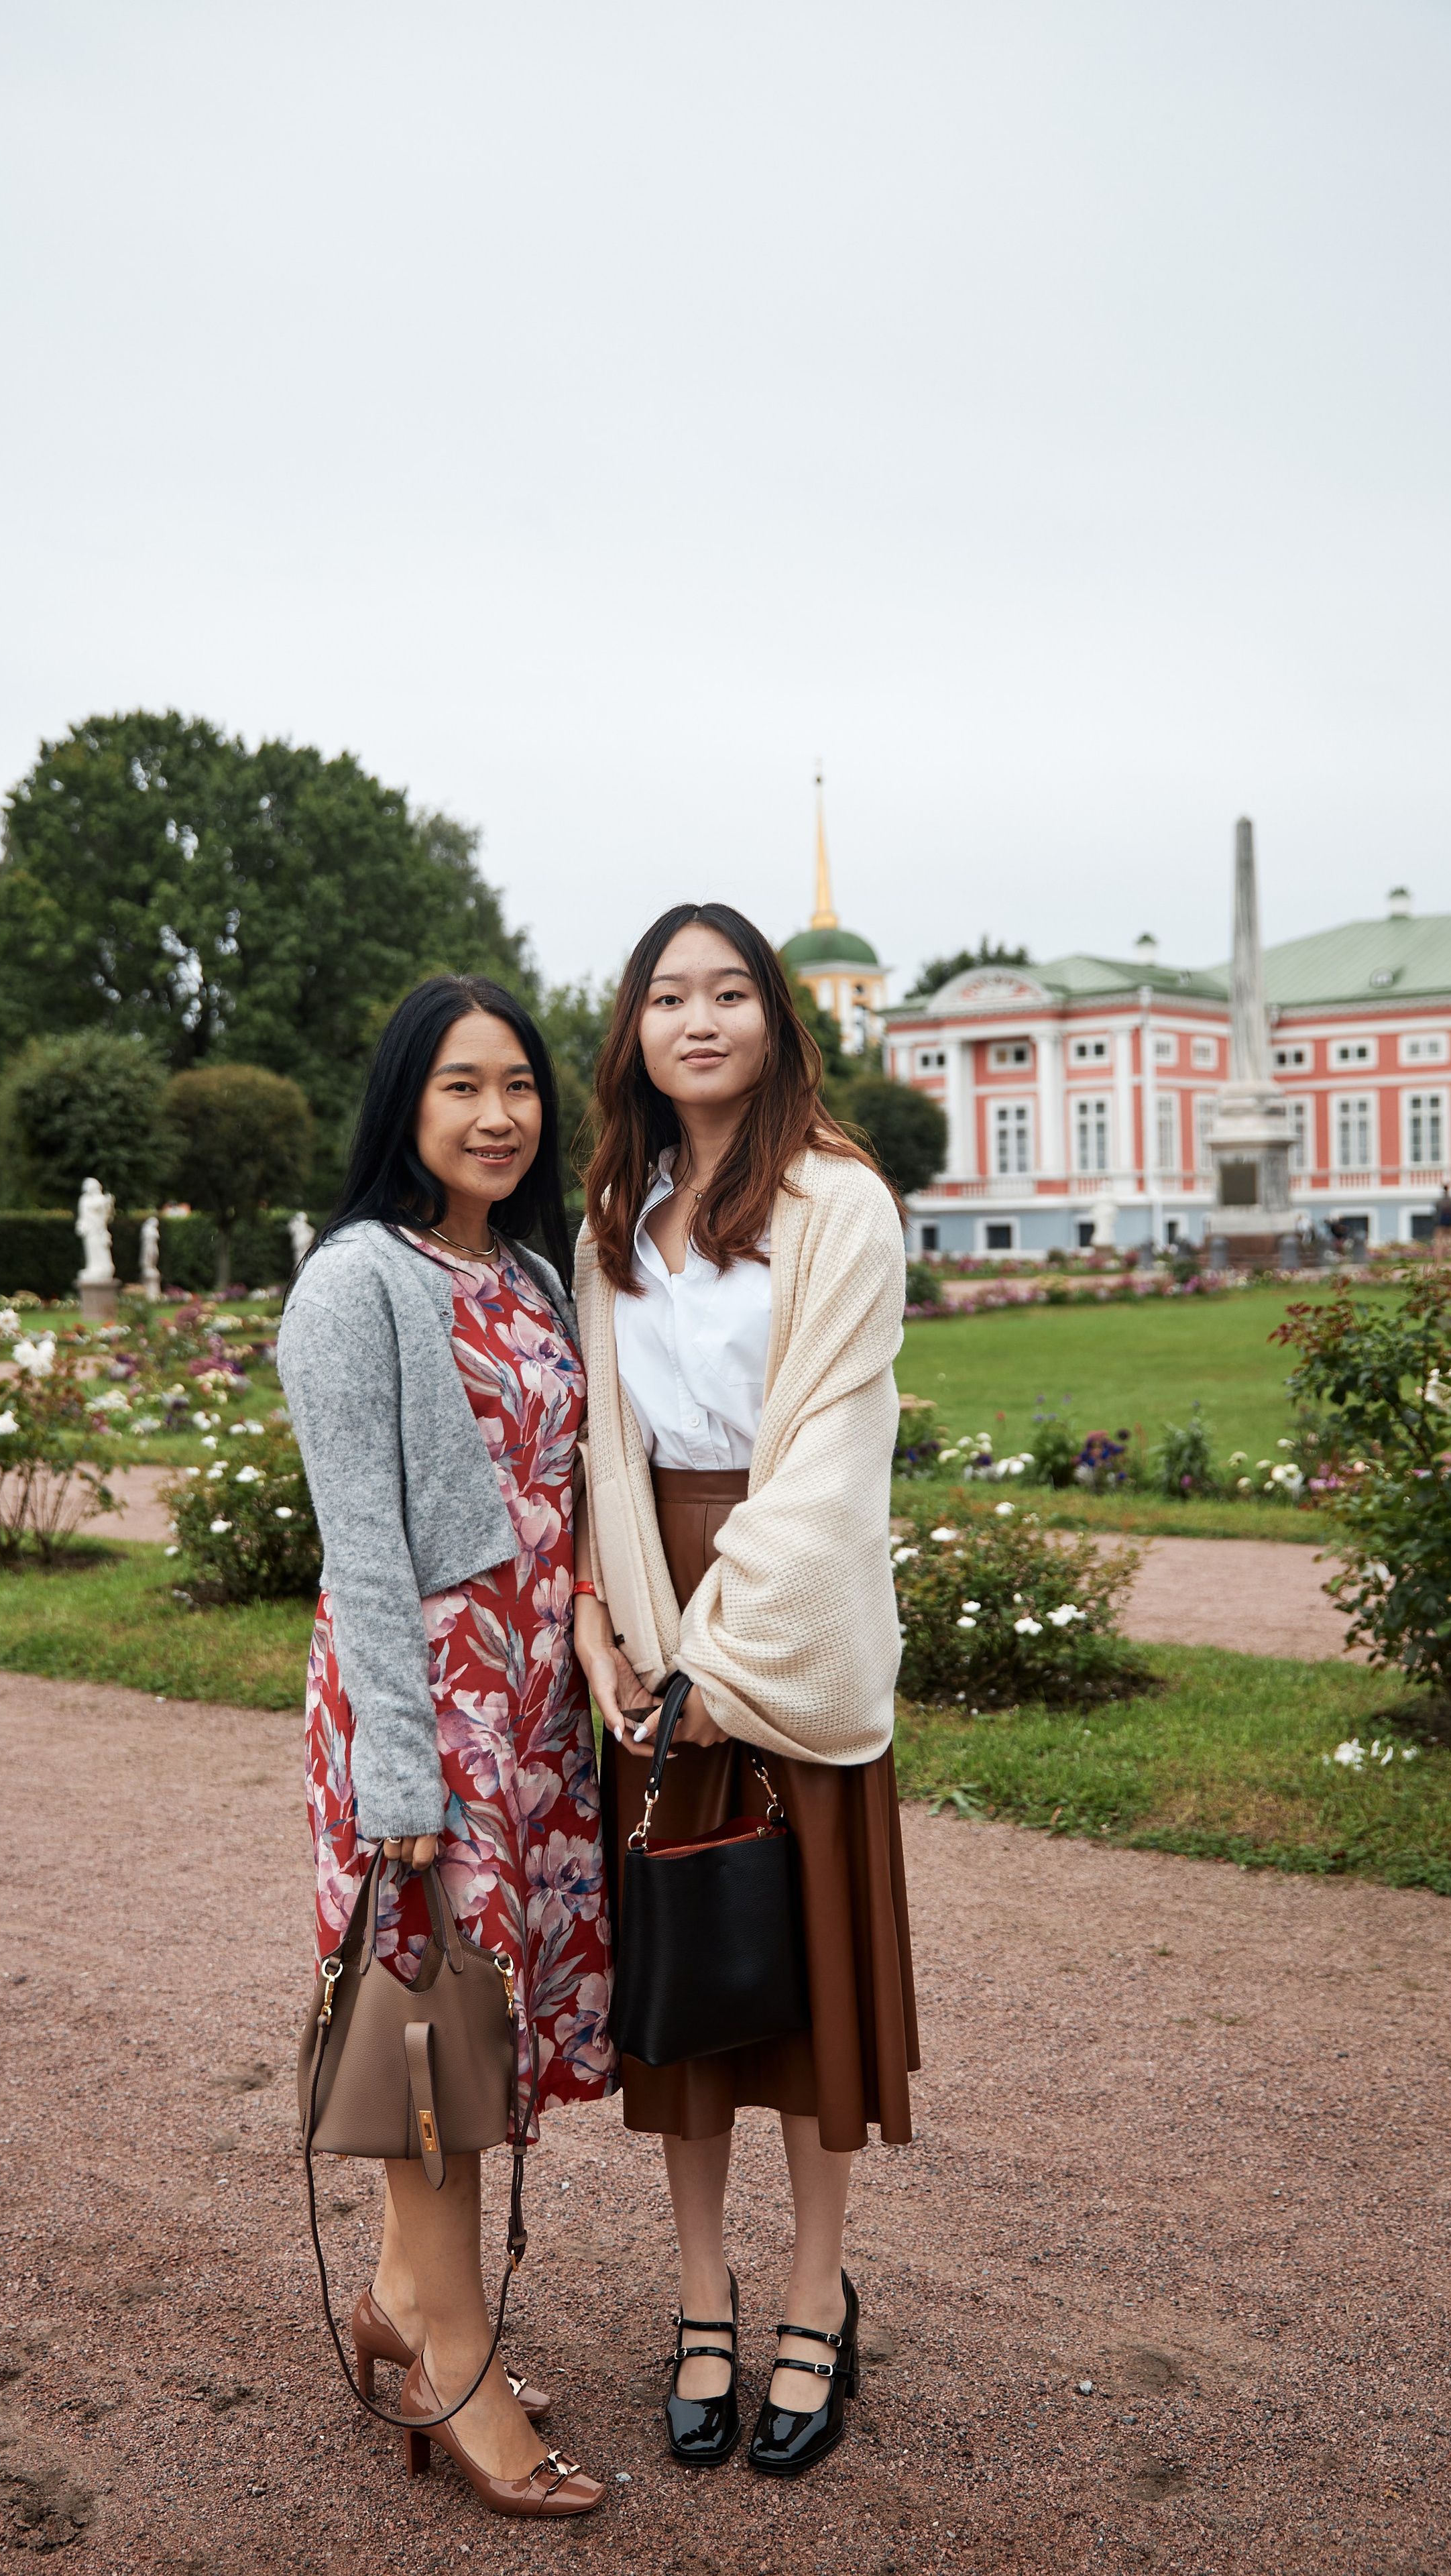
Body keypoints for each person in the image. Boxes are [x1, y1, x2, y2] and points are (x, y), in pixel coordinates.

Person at [572, 901, 918, 2481]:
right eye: (665, 994)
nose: (695, 1017)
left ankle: (809, 2292)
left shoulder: (836, 1201)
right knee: (687, 1995)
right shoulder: (610, 1214)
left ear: (773, 1018)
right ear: (632, 1028)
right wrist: (622, 1632)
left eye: (726, 991)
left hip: (782, 1616)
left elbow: (830, 1454)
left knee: (805, 1992)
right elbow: (600, 1449)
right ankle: (700, 2293)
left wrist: (722, 1661)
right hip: (652, 1614)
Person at [277, 974, 610, 2524]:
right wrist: (400, 1779)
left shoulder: (533, 1274)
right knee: (432, 2042)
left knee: (483, 2034)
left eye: (519, 1084)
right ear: (404, 1102)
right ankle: (457, 2363)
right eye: (460, 1084)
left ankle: (407, 2309)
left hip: (529, 1718)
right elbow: (361, 1553)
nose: (496, 1113)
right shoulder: (358, 1280)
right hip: (420, 1711)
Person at [1432, 1184, 1451, 1259]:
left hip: (1441, 1223)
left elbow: (1436, 1213)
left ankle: (1439, 1262)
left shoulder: (1439, 1202)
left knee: (1439, 1243)